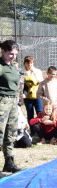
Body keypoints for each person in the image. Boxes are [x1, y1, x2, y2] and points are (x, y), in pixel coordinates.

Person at [0, 40, 22, 172]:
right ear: (3, 51)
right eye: (10, 54)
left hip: (13, 102)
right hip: (2, 102)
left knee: (11, 133)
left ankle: (9, 162)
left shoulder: (13, 66)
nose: (13, 56)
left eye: (15, 54)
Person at [22, 56, 44, 122]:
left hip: (37, 96)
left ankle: (40, 130)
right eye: (28, 63)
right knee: (30, 114)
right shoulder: (23, 73)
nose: (29, 65)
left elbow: (40, 81)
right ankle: (32, 131)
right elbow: (22, 85)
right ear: (25, 63)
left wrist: (33, 72)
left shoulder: (37, 71)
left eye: (31, 63)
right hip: (27, 97)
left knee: (40, 113)